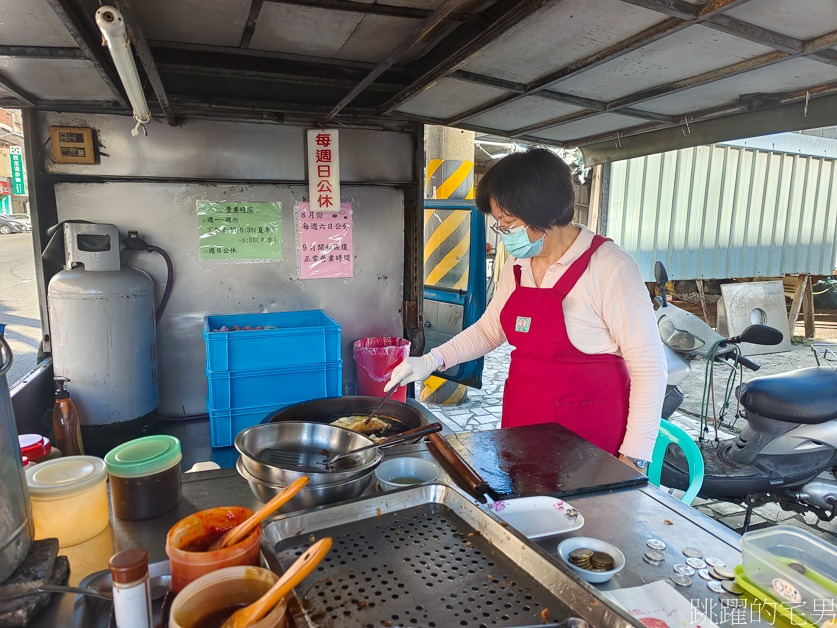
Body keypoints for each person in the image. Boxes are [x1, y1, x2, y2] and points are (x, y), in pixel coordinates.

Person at [385, 148, 667, 471]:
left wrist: (634, 456)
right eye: (499, 224)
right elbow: (489, 330)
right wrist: (430, 361)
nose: (504, 233)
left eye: (509, 223)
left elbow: (649, 368)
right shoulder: (518, 267)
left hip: (587, 448)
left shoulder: (610, 268)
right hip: (521, 433)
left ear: (546, 215)